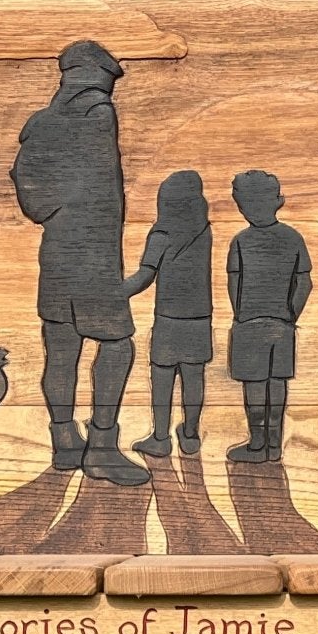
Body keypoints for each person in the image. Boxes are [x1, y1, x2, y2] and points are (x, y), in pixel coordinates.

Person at [10, 39, 149, 486]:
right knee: (116, 344)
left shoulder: (39, 123)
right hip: (94, 252)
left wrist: (53, 212)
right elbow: (102, 190)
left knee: (62, 347)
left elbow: (27, 186)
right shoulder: (97, 115)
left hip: (56, 251)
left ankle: (64, 441)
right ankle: (103, 447)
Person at [122, 170, 213, 457]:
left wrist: (113, 292)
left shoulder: (162, 232)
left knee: (162, 376)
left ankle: (160, 438)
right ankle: (190, 435)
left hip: (169, 317)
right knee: (194, 376)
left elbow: (144, 277)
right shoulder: (204, 230)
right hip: (200, 317)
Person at [224, 169, 311, 463]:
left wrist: (242, 314)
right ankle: (273, 445)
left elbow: (234, 283)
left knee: (255, 386)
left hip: (249, 324)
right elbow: (305, 281)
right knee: (278, 383)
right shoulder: (293, 237)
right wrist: (289, 315)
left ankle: (257, 443)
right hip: (282, 326)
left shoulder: (240, 241)